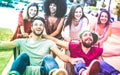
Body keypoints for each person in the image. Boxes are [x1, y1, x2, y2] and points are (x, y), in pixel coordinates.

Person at [0, 16, 82, 75]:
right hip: (24, 69)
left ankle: (54, 73)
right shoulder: (21, 41)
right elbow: (3, 45)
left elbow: (61, 55)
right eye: (36, 25)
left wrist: (71, 60)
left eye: (41, 25)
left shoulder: (48, 42)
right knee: (23, 56)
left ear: (43, 28)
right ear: (32, 28)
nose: (38, 27)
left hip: (43, 70)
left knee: (48, 57)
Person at [44, 30, 120, 75]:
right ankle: (84, 72)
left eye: (90, 35)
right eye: (85, 35)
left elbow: (115, 52)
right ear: (80, 40)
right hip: (80, 72)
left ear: (92, 40)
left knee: (101, 63)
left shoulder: (96, 50)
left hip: (95, 73)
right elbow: (57, 41)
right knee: (79, 61)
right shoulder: (75, 46)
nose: (89, 36)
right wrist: (44, 35)